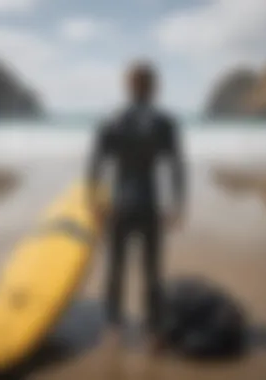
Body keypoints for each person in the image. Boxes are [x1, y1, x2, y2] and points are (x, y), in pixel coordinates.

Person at [87, 60, 186, 353]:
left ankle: (114, 327)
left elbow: (95, 165)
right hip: (150, 205)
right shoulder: (165, 123)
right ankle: (153, 330)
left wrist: (94, 202)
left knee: (116, 267)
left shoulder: (111, 120)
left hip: (119, 205)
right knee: (152, 269)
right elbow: (177, 167)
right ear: (155, 88)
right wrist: (177, 204)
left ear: (128, 86)